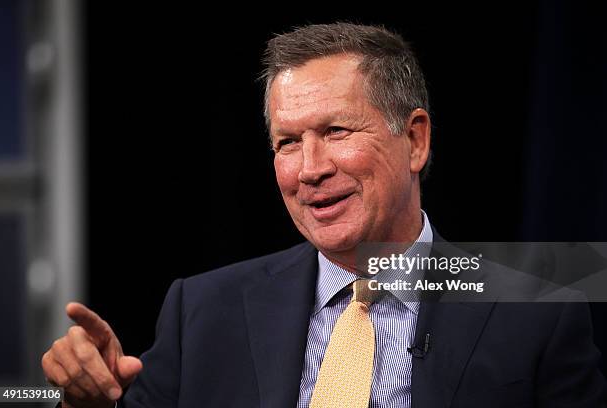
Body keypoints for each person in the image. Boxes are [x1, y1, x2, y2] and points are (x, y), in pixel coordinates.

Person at [42, 23, 606, 407]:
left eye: (336, 131)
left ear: (414, 140)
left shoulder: (538, 303)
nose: (309, 169)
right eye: (288, 142)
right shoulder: (202, 310)